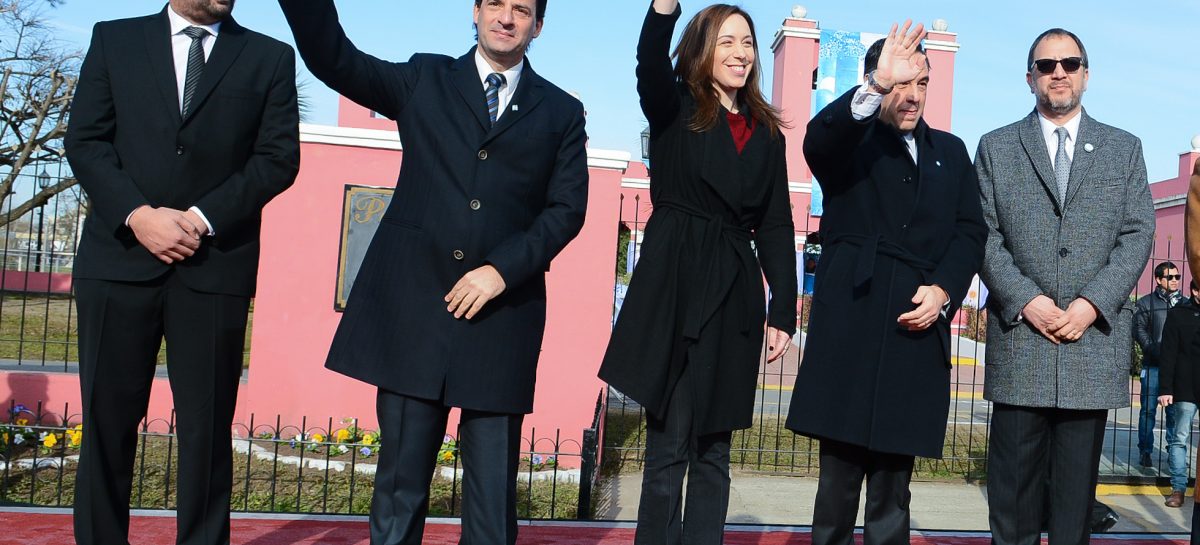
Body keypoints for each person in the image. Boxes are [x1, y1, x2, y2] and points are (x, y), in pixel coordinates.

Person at [277, 1, 588, 543]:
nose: (507, 17)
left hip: (501, 317)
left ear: (539, 24)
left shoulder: (561, 111)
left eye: (522, 9)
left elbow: (567, 210)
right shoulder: (425, 77)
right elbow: (335, 59)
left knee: (492, 508)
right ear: (475, 11)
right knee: (399, 490)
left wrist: (500, 270)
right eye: (495, 3)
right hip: (414, 312)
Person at [64, 1, 300, 544]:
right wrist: (138, 215)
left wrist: (199, 219)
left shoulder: (268, 57)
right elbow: (86, 140)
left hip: (214, 267)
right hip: (118, 263)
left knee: (208, 432)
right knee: (106, 425)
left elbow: (277, 158)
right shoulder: (114, 40)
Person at [597, 2, 796, 543]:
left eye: (748, 43)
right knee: (669, 446)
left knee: (715, 449)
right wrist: (662, 10)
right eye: (727, 41)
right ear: (703, 49)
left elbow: (776, 223)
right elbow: (647, 64)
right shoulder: (675, 105)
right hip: (676, 284)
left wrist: (783, 309)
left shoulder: (767, 131)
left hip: (734, 292)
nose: (740, 53)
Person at [784, 22, 986, 545]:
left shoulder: (952, 151)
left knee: (893, 493)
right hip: (852, 319)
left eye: (922, 83)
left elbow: (969, 231)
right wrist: (876, 85)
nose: (913, 95)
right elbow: (818, 143)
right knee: (837, 486)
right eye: (902, 83)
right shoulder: (853, 140)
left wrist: (944, 290)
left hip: (914, 331)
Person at [976, 28, 1154, 545]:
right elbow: (983, 233)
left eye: (1070, 63)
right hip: (1021, 344)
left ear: (1086, 74)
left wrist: (1091, 304)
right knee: (1012, 508)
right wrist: (1026, 299)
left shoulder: (1124, 149)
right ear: (1029, 76)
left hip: (1090, 344)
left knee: (1075, 513)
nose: (1059, 72)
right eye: (1047, 64)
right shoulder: (996, 147)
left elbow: (1138, 232)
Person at [1135, 261, 1184, 467]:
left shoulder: (1185, 304)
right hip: (1152, 365)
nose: (1174, 281)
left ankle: (1173, 452)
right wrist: (1153, 349)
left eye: (1177, 277)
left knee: (1174, 412)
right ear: (1158, 279)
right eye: (1170, 277)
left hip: (1177, 369)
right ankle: (1145, 450)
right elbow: (1139, 330)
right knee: (1147, 410)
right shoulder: (1146, 303)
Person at [1157, 280, 1200, 508]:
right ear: (1195, 291)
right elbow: (1168, 353)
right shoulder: (1179, 314)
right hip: (1185, 388)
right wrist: (1165, 389)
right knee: (1179, 439)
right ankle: (1178, 489)